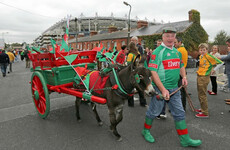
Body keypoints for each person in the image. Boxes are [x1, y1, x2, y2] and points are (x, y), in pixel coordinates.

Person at [142, 27, 202, 147]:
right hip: (160, 89)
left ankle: (185, 139)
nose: (170, 38)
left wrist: (184, 77)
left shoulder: (177, 52)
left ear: (175, 38)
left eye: (172, 36)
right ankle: (146, 131)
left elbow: (181, 66)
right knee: (154, 111)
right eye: (167, 36)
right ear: (163, 37)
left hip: (175, 89)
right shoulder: (157, 52)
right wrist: (163, 89)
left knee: (179, 113)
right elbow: (153, 72)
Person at [195, 43, 222, 118]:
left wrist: (214, 70)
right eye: (201, 50)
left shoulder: (209, 56)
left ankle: (205, 112)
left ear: (207, 50)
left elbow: (220, 62)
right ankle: (202, 108)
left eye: (204, 50)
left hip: (204, 77)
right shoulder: (201, 56)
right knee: (200, 94)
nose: (202, 51)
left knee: (202, 95)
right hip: (199, 76)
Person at [126, 41, 147, 107]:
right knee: (140, 87)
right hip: (138, 70)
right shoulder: (138, 53)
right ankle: (143, 102)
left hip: (132, 71)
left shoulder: (130, 55)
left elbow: (128, 63)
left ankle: (131, 103)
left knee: (131, 88)